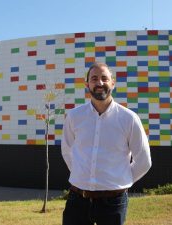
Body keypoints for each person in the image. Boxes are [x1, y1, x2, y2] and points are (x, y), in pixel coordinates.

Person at [61, 62, 152, 225]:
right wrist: (80, 173)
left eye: (104, 78)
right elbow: (67, 150)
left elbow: (144, 161)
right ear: (87, 84)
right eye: (94, 78)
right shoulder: (74, 116)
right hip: (77, 200)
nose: (99, 83)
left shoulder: (129, 119)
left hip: (113, 202)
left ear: (113, 83)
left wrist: (121, 178)